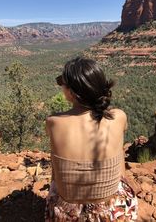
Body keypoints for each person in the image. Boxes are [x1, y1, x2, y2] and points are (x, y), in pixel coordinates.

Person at [45, 57, 138, 221]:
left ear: (71, 93)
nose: (61, 85)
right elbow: (120, 156)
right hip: (112, 210)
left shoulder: (53, 122)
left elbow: (55, 167)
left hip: (67, 213)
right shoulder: (119, 117)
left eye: (62, 82)